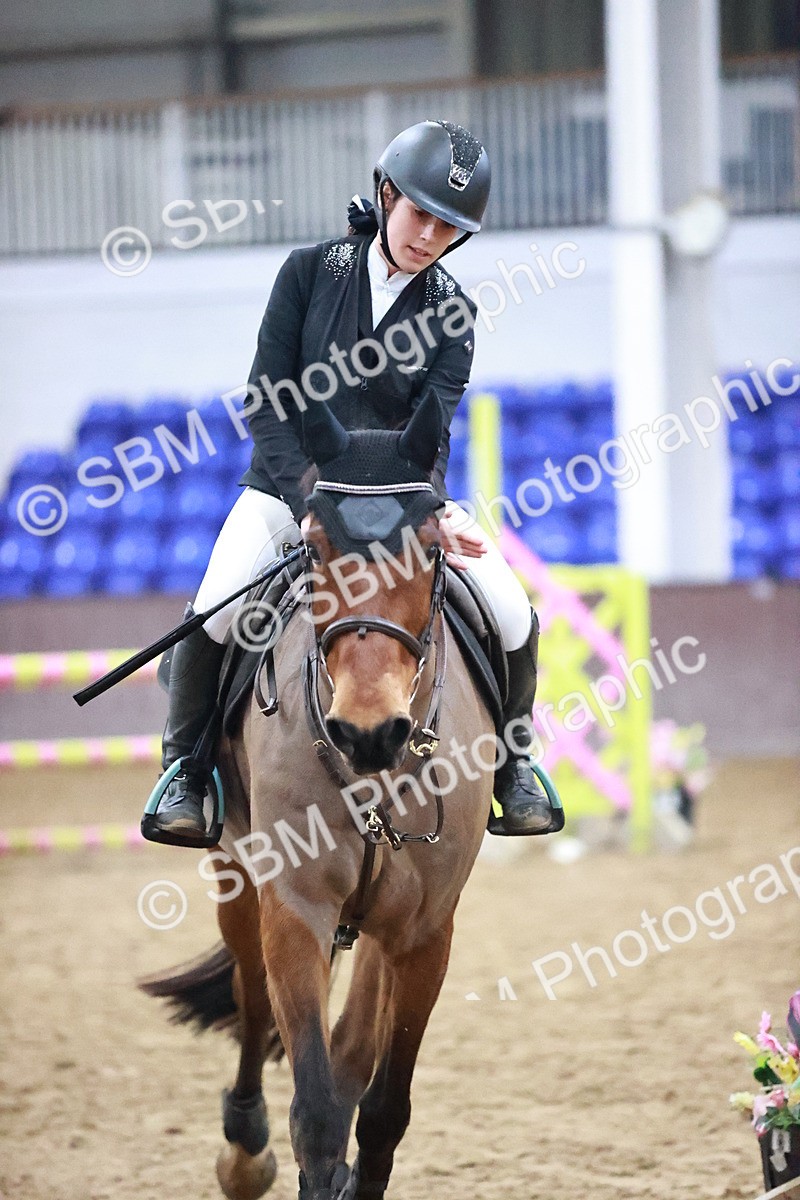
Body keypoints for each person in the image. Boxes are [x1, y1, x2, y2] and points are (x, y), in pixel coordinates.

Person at [152, 118, 560, 841]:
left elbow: (431, 434)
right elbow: (267, 400)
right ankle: (184, 771)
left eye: (448, 226)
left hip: (401, 502)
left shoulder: (452, 312)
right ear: (386, 193)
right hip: (290, 494)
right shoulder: (310, 273)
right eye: (420, 213)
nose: (430, 235)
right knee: (216, 605)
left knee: (511, 610)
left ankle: (513, 767)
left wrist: (429, 511)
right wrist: (312, 501)